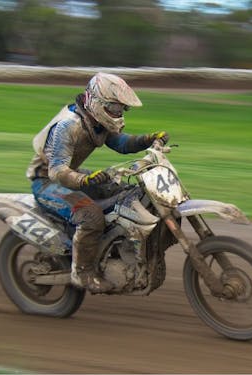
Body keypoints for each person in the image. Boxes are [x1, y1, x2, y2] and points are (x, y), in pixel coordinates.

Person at [26, 72, 169, 293]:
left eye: (122, 109)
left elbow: (121, 143)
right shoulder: (68, 126)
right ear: (96, 101)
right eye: (114, 107)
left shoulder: (96, 121)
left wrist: (147, 139)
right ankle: (82, 273)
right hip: (46, 182)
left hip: (74, 176)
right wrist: (85, 179)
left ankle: (116, 250)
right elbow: (57, 171)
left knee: (127, 193)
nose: (118, 113)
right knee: (91, 216)